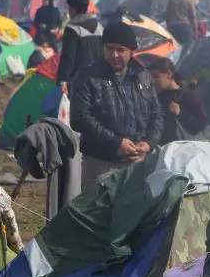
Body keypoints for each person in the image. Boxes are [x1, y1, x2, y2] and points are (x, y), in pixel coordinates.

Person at [70, 22, 163, 191]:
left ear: (131, 51)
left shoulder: (143, 76)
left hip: (139, 161)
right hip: (101, 163)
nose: (114, 55)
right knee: (97, 207)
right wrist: (116, 143)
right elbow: (79, 118)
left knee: (135, 207)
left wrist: (149, 143)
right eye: (109, 48)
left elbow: (156, 114)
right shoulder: (87, 77)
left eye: (120, 50)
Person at [146, 57, 210, 144]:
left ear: (168, 75)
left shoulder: (188, 96)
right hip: (162, 148)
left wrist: (180, 113)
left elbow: (201, 124)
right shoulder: (157, 96)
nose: (153, 81)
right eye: (151, 78)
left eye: (156, 77)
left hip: (183, 149)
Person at [56, 0, 103, 95]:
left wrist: (63, 79)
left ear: (74, 9)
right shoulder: (99, 26)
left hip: (78, 81)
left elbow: (68, 57)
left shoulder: (72, 29)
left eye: (69, 8)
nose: (68, 10)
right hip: (98, 78)